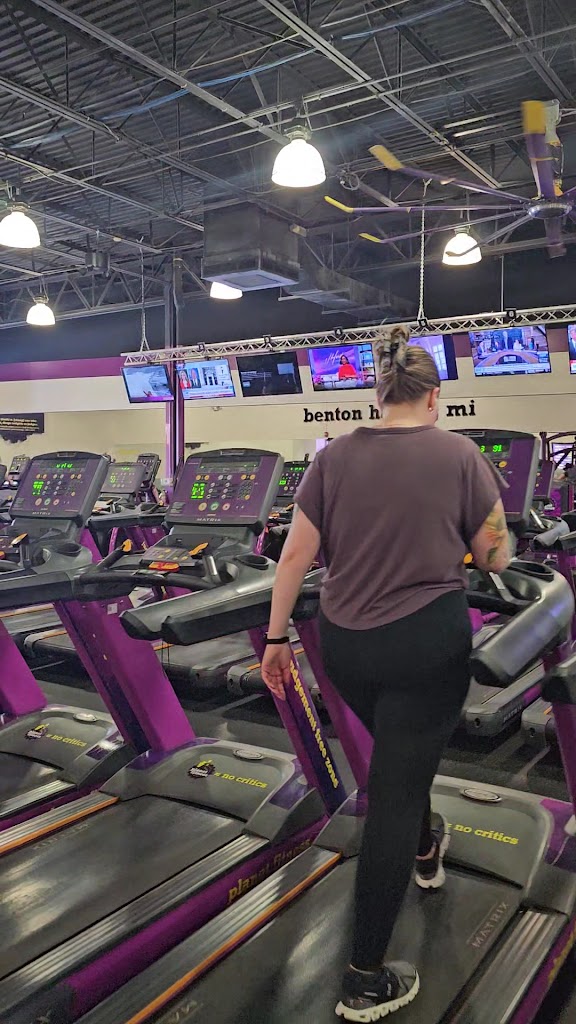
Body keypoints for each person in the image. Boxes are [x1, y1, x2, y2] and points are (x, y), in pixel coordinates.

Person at [261, 325, 510, 1021]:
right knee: (394, 793)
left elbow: (294, 557)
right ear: (433, 396)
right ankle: (365, 978)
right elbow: (494, 556)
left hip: (345, 647)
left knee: (400, 758)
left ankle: (427, 847)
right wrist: (492, 535)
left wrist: (277, 639)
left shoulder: (334, 456)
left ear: (378, 394)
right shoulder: (460, 454)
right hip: (424, 643)